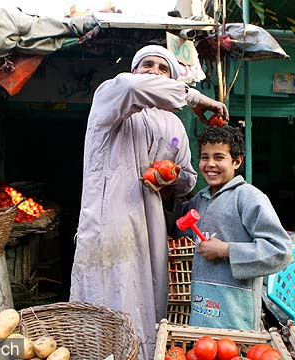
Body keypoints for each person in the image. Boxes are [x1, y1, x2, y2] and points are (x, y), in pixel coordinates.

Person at [70, 45, 228, 360]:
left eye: (162, 68)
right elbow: (132, 87)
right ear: (134, 70)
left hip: (151, 231)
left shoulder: (174, 126)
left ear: (171, 76)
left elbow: (189, 177)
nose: (154, 71)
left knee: (147, 306)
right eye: (147, 65)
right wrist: (197, 98)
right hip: (109, 226)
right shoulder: (112, 98)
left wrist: (172, 180)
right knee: (107, 299)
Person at [180, 125, 293, 331]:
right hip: (201, 305)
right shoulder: (201, 198)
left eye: (219, 157)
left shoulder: (248, 197)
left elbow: (280, 250)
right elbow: (176, 224)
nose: (210, 164)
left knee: (233, 351)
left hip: (235, 311)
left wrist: (226, 250)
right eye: (205, 157)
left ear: (237, 161)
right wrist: (165, 192)